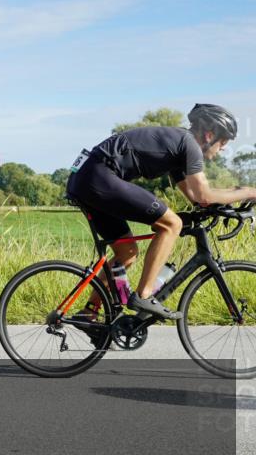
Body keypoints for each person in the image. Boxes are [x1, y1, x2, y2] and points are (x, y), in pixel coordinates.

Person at [67, 104, 255, 321]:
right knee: (171, 224)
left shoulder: (179, 147)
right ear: (209, 135)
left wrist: (223, 208)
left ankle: (89, 312)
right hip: (99, 176)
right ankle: (144, 295)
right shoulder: (190, 145)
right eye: (223, 142)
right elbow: (204, 195)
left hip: (87, 178)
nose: (222, 148)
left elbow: (197, 199)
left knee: (126, 253)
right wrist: (248, 191)